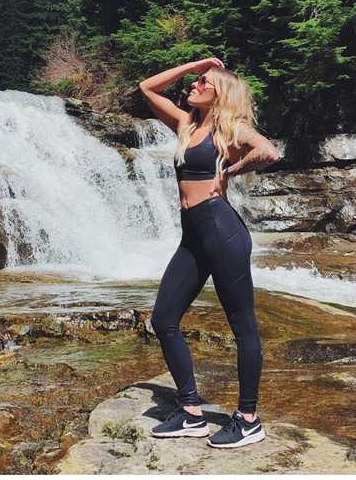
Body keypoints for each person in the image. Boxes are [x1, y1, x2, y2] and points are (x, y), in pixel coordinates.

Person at [136, 56, 282, 449]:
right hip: (193, 237)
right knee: (164, 318)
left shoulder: (229, 129)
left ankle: (248, 420)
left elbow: (269, 152)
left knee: (243, 326)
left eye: (204, 83)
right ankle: (191, 412)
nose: (195, 86)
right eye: (196, 81)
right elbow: (147, 87)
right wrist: (193, 65)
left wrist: (231, 172)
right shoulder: (186, 124)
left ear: (221, 94)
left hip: (222, 231)